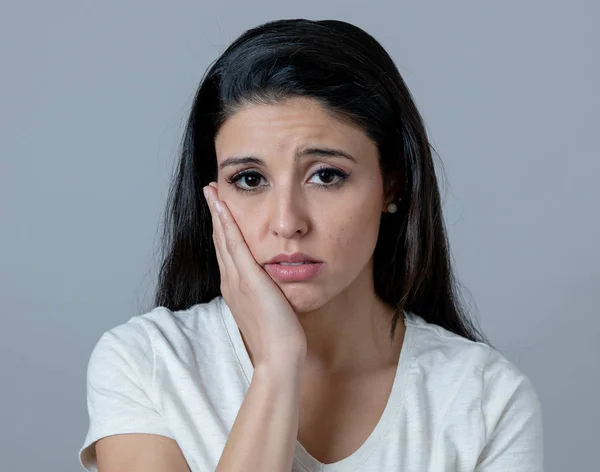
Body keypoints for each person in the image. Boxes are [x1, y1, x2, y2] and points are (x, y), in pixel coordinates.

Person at [78, 18, 543, 472]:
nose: (287, 223)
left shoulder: (485, 400)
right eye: (250, 179)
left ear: (392, 187)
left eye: (326, 175)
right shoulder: (148, 364)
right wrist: (277, 368)